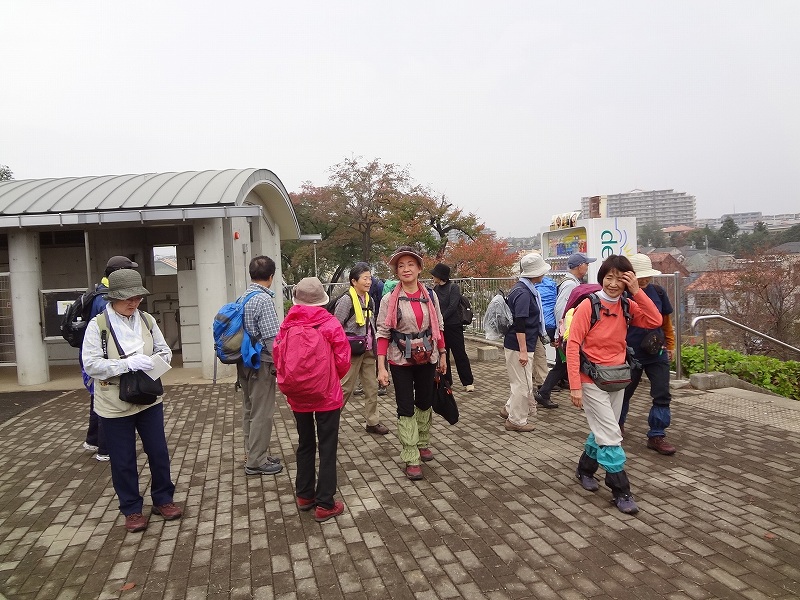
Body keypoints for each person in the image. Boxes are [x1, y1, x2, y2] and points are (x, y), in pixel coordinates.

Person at [81, 269, 181, 533]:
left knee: (158, 452)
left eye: (138, 297)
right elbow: (91, 364)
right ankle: (131, 508)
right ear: (114, 297)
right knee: (123, 459)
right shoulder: (98, 325)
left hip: (148, 398)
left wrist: (155, 362)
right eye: (128, 298)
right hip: (114, 402)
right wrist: (126, 364)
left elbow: (164, 350)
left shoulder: (147, 320)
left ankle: (163, 499)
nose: (134, 303)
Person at [566, 255, 661, 515]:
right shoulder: (589, 306)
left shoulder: (628, 305)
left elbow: (654, 320)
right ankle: (621, 490)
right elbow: (573, 345)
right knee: (611, 434)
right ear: (601, 278)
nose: (613, 284)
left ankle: (585, 469)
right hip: (591, 379)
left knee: (603, 429)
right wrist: (575, 385)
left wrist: (637, 291)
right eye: (609, 277)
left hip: (617, 377)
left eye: (620, 279)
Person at [276, 277, 351, 522]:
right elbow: (343, 359)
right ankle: (325, 503)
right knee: (327, 446)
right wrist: (329, 378)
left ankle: (304, 495)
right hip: (326, 394)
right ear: (321, 300)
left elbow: (278, 355)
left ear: (296, 300)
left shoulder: (287, 325)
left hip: (298, 394)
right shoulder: (330, 323)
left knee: (305, 443)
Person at [376, 246, 446, 481]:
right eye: (401, 265)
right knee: (405, 406)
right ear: (396, 271)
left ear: (419, 268)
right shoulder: (389, 300)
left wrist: (443, 354)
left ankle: (423, 442)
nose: (406, 269)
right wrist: (381, 367)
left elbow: (438, 327)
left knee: (425, 401)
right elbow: (383, 333)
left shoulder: (430, 296)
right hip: (400, 359)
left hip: (427, 356)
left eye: (410, 264)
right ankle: (410, 454)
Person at [82, 255, 140, 462]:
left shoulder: (98, 292)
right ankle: (105, 450)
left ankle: (93, 440)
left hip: (102, 361)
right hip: (106, 363)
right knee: (106, 402)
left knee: (97, 400)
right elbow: (110, 335)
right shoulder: (106, 300)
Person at [619, 254, 677, 455]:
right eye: (640, 276)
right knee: (623, 393)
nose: (644, 280)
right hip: (630, 353)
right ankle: (616, 425)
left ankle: (657, 434)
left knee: (662, 393)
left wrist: (671, 345)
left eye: (647, 276)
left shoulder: (658, 292)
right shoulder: (622, 295)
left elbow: (666, 323)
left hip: (656, 351)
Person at [238, 256, 284, 476]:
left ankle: (253, 453)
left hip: (244, 361)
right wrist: (281, 365)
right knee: (262, 412)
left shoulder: (243, 297)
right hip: (261, 363)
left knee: (249, 408)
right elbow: (272, 339)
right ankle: (256, 461)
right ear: (271, 276)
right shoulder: (264, 300)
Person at [535, 253, 597, 409]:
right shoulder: (570, 284)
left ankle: (545, 392)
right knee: (562, 364)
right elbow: (560, 309)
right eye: (586, 264)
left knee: (562, 364)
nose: (587, 267)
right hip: (566, 333)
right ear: (579, 266)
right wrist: (560, 334)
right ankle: (544, 393)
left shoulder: (572, 282)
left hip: (566, 332)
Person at [335, 263, 389, 435]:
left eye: (370, 278)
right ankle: (329, 423)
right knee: (345, 389)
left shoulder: (369, 299)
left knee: (371, 388)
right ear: (354, 281)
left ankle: (372, 422)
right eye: (365, 278)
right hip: (351, 352)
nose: (368, 282)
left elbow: (371, 324)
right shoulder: (346, 300)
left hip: (368, 350)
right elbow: (336, 326)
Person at [499, 253, 550, 432]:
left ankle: (509, 409)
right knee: (522, 384)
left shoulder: (520, 288)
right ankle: (516, 420)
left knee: (519, 381)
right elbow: (520, 323)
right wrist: (523, 351)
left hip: (516, 343)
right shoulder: (524, 293)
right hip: (520, 344)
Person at [430, 262, 475, 392]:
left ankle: (468, 382)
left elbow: (453, 306)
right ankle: (447, 381)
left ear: (440, 276)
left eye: (434, 275)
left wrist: (440, 319)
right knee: (443, 354)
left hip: (454, 326)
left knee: (459, 353)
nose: (433, 277)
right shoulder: (435, 289)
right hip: (442, 328)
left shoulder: (453, 287)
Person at [532, 273, 557, 393]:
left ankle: (540, 381)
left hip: (538, 326)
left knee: (537, 353)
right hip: (545, 326)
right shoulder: (551, 285)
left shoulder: (532, 288)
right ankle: (542, 384)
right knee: (539, 354)